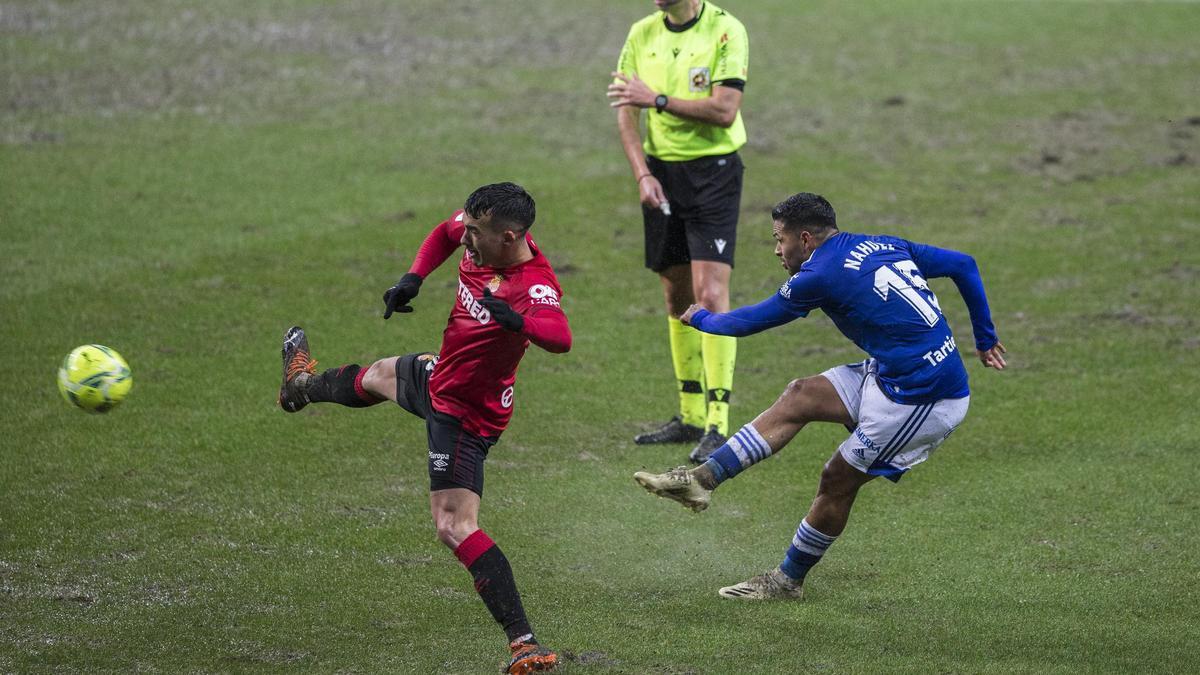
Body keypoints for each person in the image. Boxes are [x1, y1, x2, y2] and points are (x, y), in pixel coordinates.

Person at [634, 192, 1006, 600]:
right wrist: (985, 339)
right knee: (801, 395)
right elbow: (963, 264)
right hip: (892, 374)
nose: (777, 250)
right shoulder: (882, 243)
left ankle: (785, 581)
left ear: (806, 239)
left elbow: (752, 320)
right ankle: (700, 480)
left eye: (780, 239)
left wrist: (701, 317)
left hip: (924, 399)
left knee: (837, 479)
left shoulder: (818, 275)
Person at [278, 183, 569, 672]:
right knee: (376, 375)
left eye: (475, 234)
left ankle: (525, 645)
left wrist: (519, 324)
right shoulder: (478, 232)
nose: (466, 238)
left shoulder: (533, 284)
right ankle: (299, 385)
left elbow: (561, 338)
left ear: (510, 236)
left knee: (454, 526)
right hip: (441, 375)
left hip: (465, 415)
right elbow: (443, 232)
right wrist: (413, 277)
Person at [607, 0, 750, 462]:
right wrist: (641, 175)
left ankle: (718, 424)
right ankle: (689, 417)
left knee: (710, 295)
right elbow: (626, 112)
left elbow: (725, 110)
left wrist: (659, 100)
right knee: (676, 295)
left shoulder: (726, 31)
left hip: (713, 175)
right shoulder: (641, 33)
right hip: (661, 174)